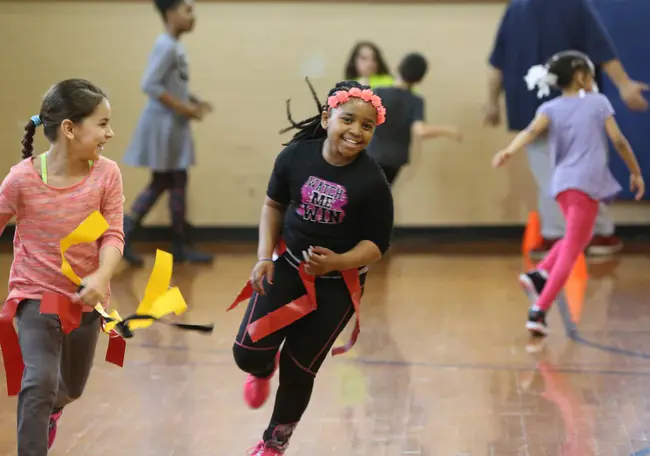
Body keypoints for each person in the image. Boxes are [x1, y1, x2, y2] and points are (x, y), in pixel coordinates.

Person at [230, 79, 394, 455]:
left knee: (300, 368)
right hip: (287, 267)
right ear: (327, 117)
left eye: (366, 126)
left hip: (337, 286)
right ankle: (261, 367)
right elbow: (273, 205)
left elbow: (376, 246)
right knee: (246, 353)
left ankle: (273, 443)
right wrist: (262, 256)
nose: (356, 131)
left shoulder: (373, 182)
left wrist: (338, 262)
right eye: (348, 120)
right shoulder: (294, 158)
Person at [0, 79, 124, 455]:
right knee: (37, 381)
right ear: (69, 128)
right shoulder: (21, 179)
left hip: (84, 301)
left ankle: (54, 409)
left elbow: (113, 235)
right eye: (102, 124)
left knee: (69, 387)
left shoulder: (107, 174)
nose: (110, 133)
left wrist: (101, 276)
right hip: (34, 296)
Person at [492, 51, 645, 336]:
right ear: (580, 76)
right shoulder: (598, 103)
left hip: (563, 184)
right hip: (584, 183)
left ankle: (539, 274)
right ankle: (539, 310)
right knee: (574, 249)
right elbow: (619, 141)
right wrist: (635, 172)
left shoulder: (550, 107)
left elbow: (529, 133)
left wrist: (508, 151)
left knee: (578, 237)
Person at [484, 0, 649, 259]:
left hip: (529, 105)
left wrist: (492, 102)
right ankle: (598, 233)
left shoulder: (516, 9)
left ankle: (556, 235)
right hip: (579, 105)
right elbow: (602, 50)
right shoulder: (575, 4)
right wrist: (624, 85)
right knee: (590, 167)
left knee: (547, 173)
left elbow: (498, 62)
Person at [122, 0, 212, 266]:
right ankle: (171, 244)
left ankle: (168, 241)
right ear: (170, 14)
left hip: (171, 124)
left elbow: (170, 85)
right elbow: (149, 84)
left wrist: (192, 100)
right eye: (187, 11)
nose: (192, 16)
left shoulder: (174, 46)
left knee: (169, 181)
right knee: (170, 180)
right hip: (164, 125)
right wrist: (185, 108)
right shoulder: (165, 46)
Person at [366, 52, 462, 186]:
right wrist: (448, 130)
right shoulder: (415, 101)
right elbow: (421, 130)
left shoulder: (379, 92)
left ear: (399, 67)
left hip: (371, 152)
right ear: (420, 78)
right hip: (395, 159)